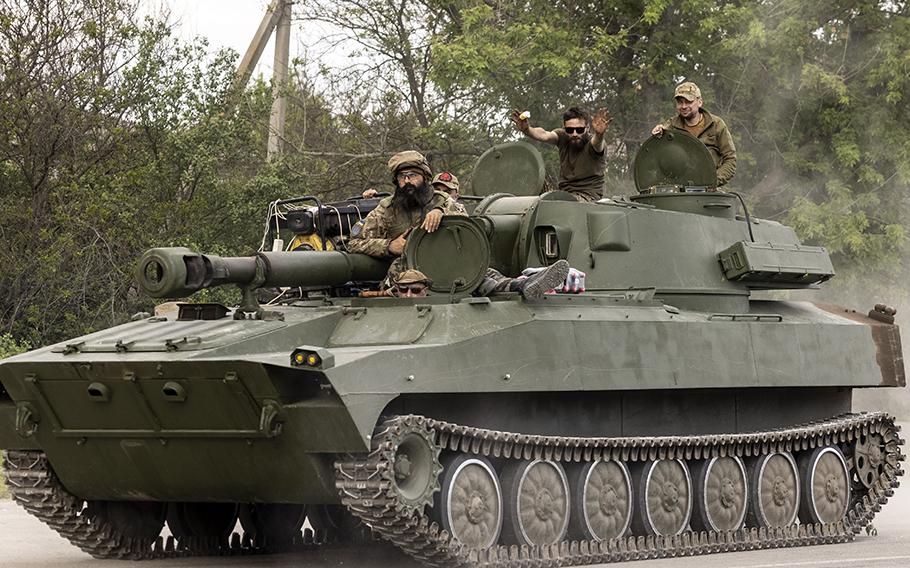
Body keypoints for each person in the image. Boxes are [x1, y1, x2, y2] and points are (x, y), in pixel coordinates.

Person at [347, 150, 463, 286]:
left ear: (425, 177)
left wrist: (441, 212)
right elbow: (353, 244)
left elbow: (467, 232)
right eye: (402, 176)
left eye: (413, 175)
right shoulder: (386, 209)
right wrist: (389, 246)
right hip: (403, 283)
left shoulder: (443, 201)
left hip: (446, 273)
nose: (407, 181)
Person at [510, 106, 611, 202]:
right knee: (532, 175)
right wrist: (527, 129)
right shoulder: (563, 137)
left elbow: (597, 143)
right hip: (563, 194)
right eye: (570, 130)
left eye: (579, 130)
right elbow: (544, 135)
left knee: (561, 202)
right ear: (564, 128)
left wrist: (599, 134)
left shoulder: (593, 143)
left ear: (587, 128)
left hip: (587, 197)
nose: (574, 134)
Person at [651, 82, 737, 186]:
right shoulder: (671, 127)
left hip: (709, 189)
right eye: (680, 102)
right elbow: (656, 159)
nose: (683, 106)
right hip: (678, 190)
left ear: (699, 102)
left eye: (688, 102)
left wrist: (714, 180)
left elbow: (730, 158)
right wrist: (658, 133)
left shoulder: (716, 125)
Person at [388, 263, 572, 301]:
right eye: (404, 291)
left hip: (462, 274)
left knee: (489, 282)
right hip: (420, 269)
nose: (409, 295)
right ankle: (526, 283)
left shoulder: (445, 207)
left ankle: (529, 283)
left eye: (414, 290)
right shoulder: (401, 266)